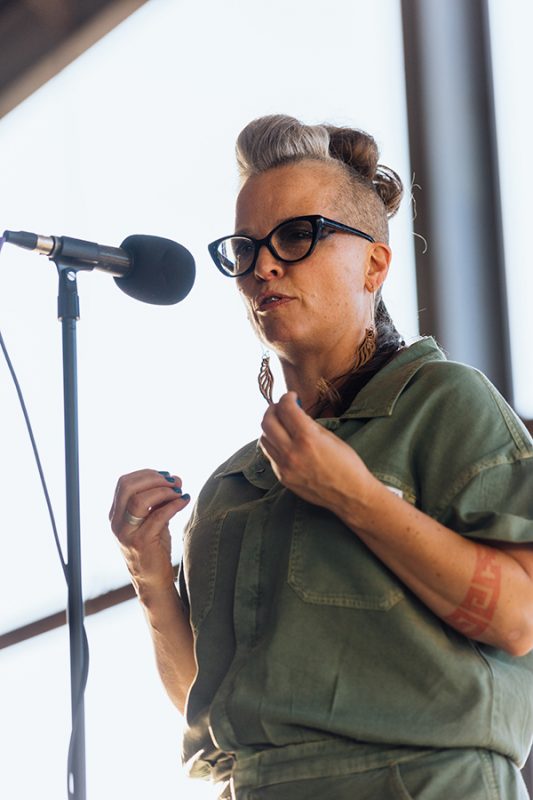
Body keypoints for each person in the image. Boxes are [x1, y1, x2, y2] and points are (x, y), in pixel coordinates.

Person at [110, 115, 533, 800]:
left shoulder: (441, 404)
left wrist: (355, 497)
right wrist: (152, 577)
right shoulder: (232, 487)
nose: (263, 266)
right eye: (244, 249)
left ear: (374, 262)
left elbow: (518, 615)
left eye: (296, 235)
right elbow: (212, 711)